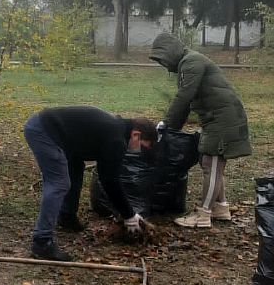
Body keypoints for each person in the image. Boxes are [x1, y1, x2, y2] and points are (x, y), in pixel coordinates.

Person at [23, 106, 157, 261]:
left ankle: (67, 216)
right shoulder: (116, 139)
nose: (139, 151)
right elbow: (109, 181)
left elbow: (107, 172)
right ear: (136, 135)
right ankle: (42, 242)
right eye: (143, 146)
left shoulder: (117, 130)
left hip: (55, 132)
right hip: (44, 130)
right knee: (59, 182)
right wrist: (129, 215)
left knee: (75, 166)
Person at [149, 32, 252, 228]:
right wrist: (172, 130)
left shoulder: (191, 61)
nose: (163, 65)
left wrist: (167, 124)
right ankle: (220, 207)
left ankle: (203, 214)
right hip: (217, 117)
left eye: (162, 60)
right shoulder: (188, 62)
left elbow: (184, 96)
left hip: (223, 118)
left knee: (211, 164)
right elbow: (187, 101)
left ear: (171, 52)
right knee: (210, 161)